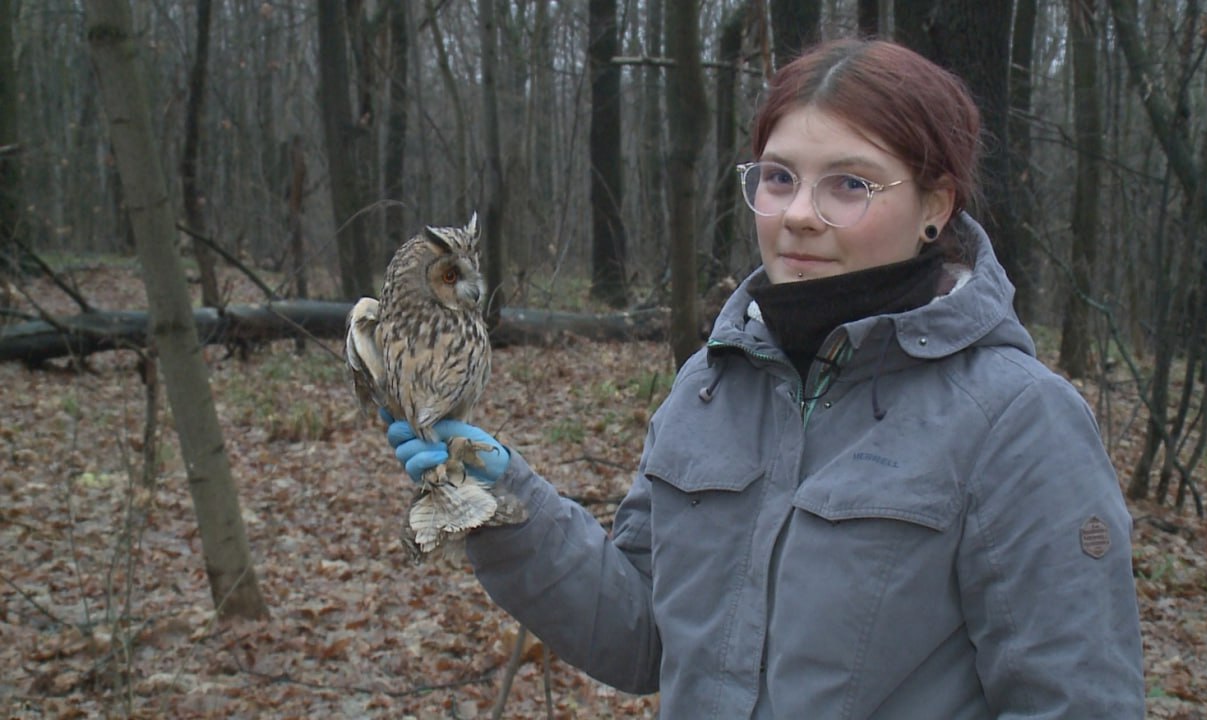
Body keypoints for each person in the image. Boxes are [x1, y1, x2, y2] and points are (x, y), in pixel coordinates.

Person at [384, 37, 1145, 718]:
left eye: (851, 184)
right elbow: (641, 637)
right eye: (780, 177)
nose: (799, 215)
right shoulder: (710, 389)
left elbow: (1077, 699)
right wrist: (505, 505)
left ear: (935, 206)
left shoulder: (1018, 420)